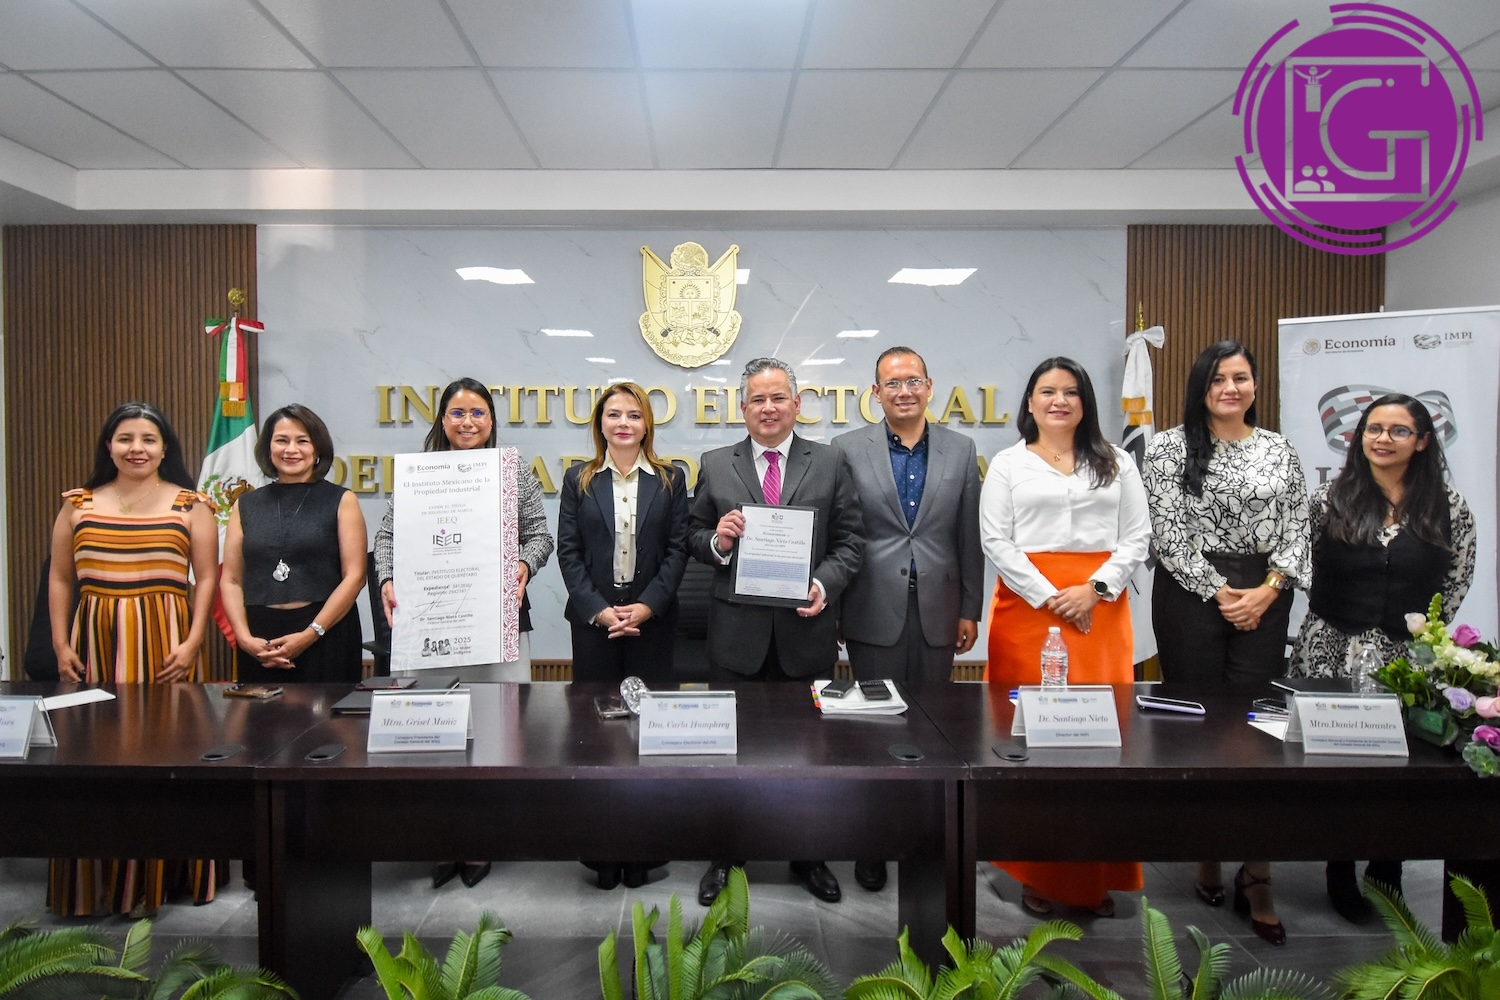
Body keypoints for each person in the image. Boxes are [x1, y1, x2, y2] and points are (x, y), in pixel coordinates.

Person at [1142, 340, 1311, 946]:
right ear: (1201, 387)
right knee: (1197, 727)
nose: (1230, 388)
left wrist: (1266, 592)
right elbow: (1168, 533)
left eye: (1240, 378)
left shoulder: (1279, 449)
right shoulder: (1168, 448)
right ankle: (1206, 852)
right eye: (1218, 379)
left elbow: (1298, 529)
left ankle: (1257, 873)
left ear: (1255, 385)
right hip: (1190, 596)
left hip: (1266, 596)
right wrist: (1221, 593)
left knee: (1261, 732)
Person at [1289, 393, 1475, 923]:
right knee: (1338, 768)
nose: (1382, 439)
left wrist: (1418, 633)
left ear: (1422, 441)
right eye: (1373, 429)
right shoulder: (1329, 499)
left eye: (1398, 431)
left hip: (1407, 661)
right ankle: (1340, 867)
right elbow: (1302, 565)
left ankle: (1387, 868)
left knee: (1400, 769)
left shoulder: (1450, 506)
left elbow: (1457, 578)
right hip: (1331, 650)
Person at [688, 357, 863, 906]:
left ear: (797, 404)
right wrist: (717, 540)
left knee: (807, 752)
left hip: (804, 633)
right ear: (742, 408)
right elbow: (692, 533)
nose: (768, 408)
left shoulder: (830, 461)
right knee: (729, 750)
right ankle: (725, 854)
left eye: (778, 397)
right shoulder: (716, 463)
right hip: (735, 637)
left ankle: (808, 853)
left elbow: (851, 541)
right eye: (758, 400)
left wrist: (824, 583)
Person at [979, 357, 1150, 919]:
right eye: (1047, 391)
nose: (1059, 401)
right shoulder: (1008, 464)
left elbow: (1136, 537)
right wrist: (1052, 596)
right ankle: (1037, 871)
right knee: (1031, 740)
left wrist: (1093, 590)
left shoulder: (1118, 461)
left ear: (1085, 402)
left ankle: (1094, 875)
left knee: (1100, 742)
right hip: (1028, 612)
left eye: (1071, 392)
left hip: (1100, 612)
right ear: (1029, 402)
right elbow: (995, 541)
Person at [373, 377, 554, 890]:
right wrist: (387, 579)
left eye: (477, 412)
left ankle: (481, 837)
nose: (468, 422)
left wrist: (524, 564)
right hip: (429, 622)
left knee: (494, 733)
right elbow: (387, 536)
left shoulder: (512, 473)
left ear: (492, 420)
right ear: (442, 420)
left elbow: (541, 536)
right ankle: (439, 836)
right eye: (457, 412)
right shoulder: (420, 473)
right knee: (434, 733)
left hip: (496, 624)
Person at [47, 402, 220, 916]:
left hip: (167, 644)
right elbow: (60, 577)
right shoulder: (78, 503)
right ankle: (96, 884)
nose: (136, 449)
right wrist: (60, 644)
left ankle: (160, 880)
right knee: (93, 756)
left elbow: (207, 577)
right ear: (109, 446)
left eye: (148, 439)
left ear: (165, 448)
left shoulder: (191, 504)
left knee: (166, 755)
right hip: (93, 644)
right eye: (125, 439)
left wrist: (193, 642)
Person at [832, 345, 982, 893]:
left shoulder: (961, 449)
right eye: (892, 383)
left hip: (940, 608)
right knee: (874, 729)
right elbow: (841, 534)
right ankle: (873, 843)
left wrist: (971, 608)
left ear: (929, 386)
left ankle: (926, 841)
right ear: (875, 393)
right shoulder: (848, 449)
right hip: (871, 606)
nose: (903, 391)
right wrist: (836, 610)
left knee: (933, 729)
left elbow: (968, 535)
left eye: (913, 380)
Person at [557, 382, 687, 891]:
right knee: (595, 738)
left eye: (634, 414)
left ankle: (645, 852)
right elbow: (569, 551)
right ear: (600, 424)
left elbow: (677, 551)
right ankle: (600, 854)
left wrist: (647, 606)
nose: (624, 423)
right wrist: (599, 611)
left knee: (648, 737)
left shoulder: (671, 479)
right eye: (614, 414)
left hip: (652, 623)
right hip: (595, 625)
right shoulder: (579, 479)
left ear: (647, 423)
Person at [221, 405, 367, 684]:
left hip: (325, 632)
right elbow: (231, 580)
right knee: (260, 712)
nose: (291, 449)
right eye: (281, 440)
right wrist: (243, 637)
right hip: (260, 641)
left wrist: (311, 633)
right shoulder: (246, 504)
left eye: (302, 441)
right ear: (268, 448)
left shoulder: (341, 500)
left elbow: (355, 577)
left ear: (317, 449)